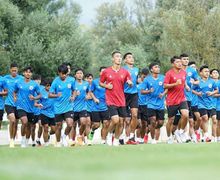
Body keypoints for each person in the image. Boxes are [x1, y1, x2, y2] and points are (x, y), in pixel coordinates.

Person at [100, 50, 132, 146]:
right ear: (113, 59)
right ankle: (110, 135)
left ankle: (116, 140)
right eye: (117, 56)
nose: (119, 58)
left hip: (121, 100)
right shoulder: (106, 71)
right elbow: (100, 83)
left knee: (121, 122)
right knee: (115, 120)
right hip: (110, 99)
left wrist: (130, 83)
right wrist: (106, 86)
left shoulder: (125, 72)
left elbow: (129, 81)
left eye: (120, 57)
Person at [14, 66, 41, 148]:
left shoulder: (34, 84)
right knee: (24, 122)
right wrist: (15, 97)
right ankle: (22, 140)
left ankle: (26, 141)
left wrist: (34, 98)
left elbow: (40, 95)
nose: (28, 73)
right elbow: (15, 92)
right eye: (26, 72)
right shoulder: (18, 82)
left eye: (29, 72)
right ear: (23, 73)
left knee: (29, 126)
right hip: (20, 106)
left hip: (30, 108)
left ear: (31, 74)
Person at [164, 56, 189, 144]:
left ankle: (180, 131)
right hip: (171, 100)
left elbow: (184, 81)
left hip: (182, 98)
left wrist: (186, 86)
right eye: (177, 62)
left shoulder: (183, 72)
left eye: (180, 62)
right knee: (171, 120)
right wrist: (175, 83)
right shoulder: (169, 73)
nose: (180, 63)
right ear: (172, 64)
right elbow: (165, 86)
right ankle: (169, 137)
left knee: (185, 115)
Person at [49, 64, 75, 147]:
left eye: (65, 74)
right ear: (58, 73)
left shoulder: (71, 80)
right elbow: (50, 95)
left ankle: (64, 137)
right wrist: (56, 95)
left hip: (68, 106)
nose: (63, 75)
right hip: (58, 107)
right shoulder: (55, 81)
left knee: (70, 124)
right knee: (58, 126)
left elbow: (74, 90)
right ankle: (58, 142)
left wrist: (73, 96)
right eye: (62, 74)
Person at [142, 62, 166, 144]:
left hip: (160, 104)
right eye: (156, 67)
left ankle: (149, 129)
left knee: (160, 123)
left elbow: (167, 88)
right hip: (150, 104)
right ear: (152, 69)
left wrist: (163, 94)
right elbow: (142, 91)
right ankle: (153, 140)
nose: (158, 68)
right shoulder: (147, 79)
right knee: (152, 121)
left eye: (158, 67)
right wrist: (149, 91)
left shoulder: (163, 78)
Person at [193, 65, 218, 142]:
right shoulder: (198, 82)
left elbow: (216, 90)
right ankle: (206, 135)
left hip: (211, 104)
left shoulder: (212, 81)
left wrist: (212, 93)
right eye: (205, 71)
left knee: (214, 119)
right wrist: (198, 93)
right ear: (200, 73)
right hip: (201, 104)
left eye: (208, 71)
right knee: (205, 118)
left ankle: (214, 137)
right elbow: (192, 90)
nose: (207, 73)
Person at [180, 54, 199, 143]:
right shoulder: (178, 70)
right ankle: (181, 134)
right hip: (179, 97)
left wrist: (194, 82)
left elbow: (198, 81)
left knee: (189, 118)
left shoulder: (192, 70)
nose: (186, 60)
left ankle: (190, 136)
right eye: (184, 59)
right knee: (183, 117)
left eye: (187, 59)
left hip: (189, 97)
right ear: (180, 60)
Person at [89, 67, 110, 145]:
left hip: (106, 106)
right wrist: (94, 99)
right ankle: (91, 132)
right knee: (96, 125)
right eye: (102, 72)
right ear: (100, 73)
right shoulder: (95, 82)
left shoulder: (109, 82)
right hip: (96, 107)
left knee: (106, 123)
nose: (104, 73)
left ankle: (103, 140)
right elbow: (90, 92)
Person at [4, 63, 23, 148]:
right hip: (8, 103)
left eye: (16, 70)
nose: (14, 72)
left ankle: (13, 140)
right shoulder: (5, 79)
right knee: (12, 120)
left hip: (18, 105)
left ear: (17, 70)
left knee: (16, 123)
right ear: (10, 70)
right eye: (13, 71)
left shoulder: (21, 79)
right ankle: (11, 139)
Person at [123, 52, 139, 144]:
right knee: (125, 119)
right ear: (125, 60)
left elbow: (136, 80)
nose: (131, 59)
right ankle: (122, 136)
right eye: (129, 57)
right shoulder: (122, 69)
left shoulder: (136, 69)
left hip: (134, 94)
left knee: (135, 115)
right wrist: (127, 81)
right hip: (124, 94)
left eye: (132, 57)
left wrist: (139, 81)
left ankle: (132, 136)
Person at [35, 78, 56, 146]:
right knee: (45, 127)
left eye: (50, 86)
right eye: (47, 86)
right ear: (45, 86)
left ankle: (49, 134)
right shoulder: (41, 93)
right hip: (43, 112)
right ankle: (46, 143)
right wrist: (38, 105)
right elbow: (35, 103)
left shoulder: (54, 92)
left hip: (52, 113)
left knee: (54, 130)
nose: (49, 87)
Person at [72, 68, 90, 146]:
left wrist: (87, 96)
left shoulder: (86, 84)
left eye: (81, 73)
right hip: (73, 107)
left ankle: (79, 136)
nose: (79, 75)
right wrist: (75, 95)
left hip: (83, 107)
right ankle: (71, 140)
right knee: (72, 125)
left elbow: (89, 93)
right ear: (75, 75)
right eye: (78, 73)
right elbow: (69, 95)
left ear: (83, 75)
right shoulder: (72, 84)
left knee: (83, 122)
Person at [136, 68, 149, 144]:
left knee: (144, 124)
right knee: (139, 124)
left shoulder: (148, 83)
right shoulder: (136, 83)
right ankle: (136, 139)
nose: (145, 78)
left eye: (146, 77)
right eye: (144, 76)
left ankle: (141, 139)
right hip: (137, 105)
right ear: (141, 75)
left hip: (146, 105)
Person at [210, 69, 219, 142]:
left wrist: (212, 94)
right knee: (214, 120)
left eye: (217, 73)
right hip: (211, 104)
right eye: (214, 73)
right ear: (211, 75)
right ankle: (214, 137)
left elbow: (210, 94)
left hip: (219, 105)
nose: (215, 74)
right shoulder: (209, 82)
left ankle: (218, 137)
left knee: (218, 122)